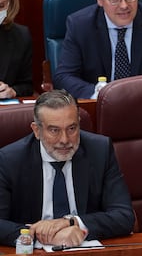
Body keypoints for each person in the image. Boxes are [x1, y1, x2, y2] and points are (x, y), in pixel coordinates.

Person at [0, 89, 135, 247]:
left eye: (71, 128)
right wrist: (40, 236)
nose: (64, 140)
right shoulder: (10, 160)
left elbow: (124, 216)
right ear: (37, 130)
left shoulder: (100, 150)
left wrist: (72, 223)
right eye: (54, 130)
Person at [0, 0, 33, 99]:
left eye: (1, 6)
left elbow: (27, 85)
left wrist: (12, 91)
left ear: (10, 2)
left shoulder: (20, 36)